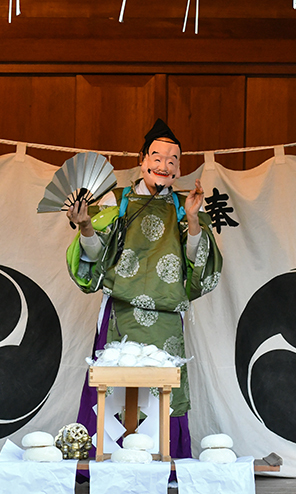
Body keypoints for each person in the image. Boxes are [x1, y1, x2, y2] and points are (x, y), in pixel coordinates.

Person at [66, 119, 223, 459]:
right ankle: (107, 460)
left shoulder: (185, 205)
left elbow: (199, 265)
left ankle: (165, 462)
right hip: (120, 314)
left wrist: (194, 219)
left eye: (173, 160)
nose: (164, 165)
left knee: (164, 389)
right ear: (142, 159)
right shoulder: (116, 201)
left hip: (166, 316)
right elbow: (95, 257)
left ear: (180, 166)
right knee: (113, 387)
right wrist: (86, 227)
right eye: (157, 156)